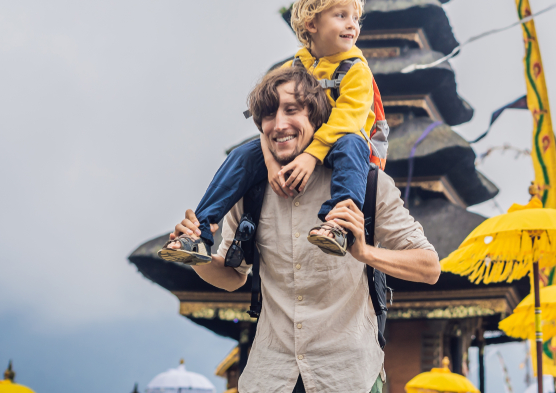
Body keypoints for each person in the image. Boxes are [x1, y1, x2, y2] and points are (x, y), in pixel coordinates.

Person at [168, 65, 440, 393]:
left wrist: (365, 253)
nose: (279, 124)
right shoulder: (250, 191)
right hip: (271, 377)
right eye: (269, 114)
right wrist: (196, 257)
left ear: (317, 117)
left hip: (347, 377)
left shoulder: (368, 186)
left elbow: (430, 268)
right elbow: (233, 276)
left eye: (292, 110)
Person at [159, 0, 383, 264]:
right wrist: (270, 162)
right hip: (295, 142)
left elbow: (348, 119)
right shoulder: (290, 69)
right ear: (312, 24)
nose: (352, 24)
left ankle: (339, 224)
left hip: (337, 145)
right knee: (242, 155)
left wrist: (311, 156)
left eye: (355, 18)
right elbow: (267, 120)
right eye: (341, 16)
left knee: (352, 144)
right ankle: (199, 231)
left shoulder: (356, 70)